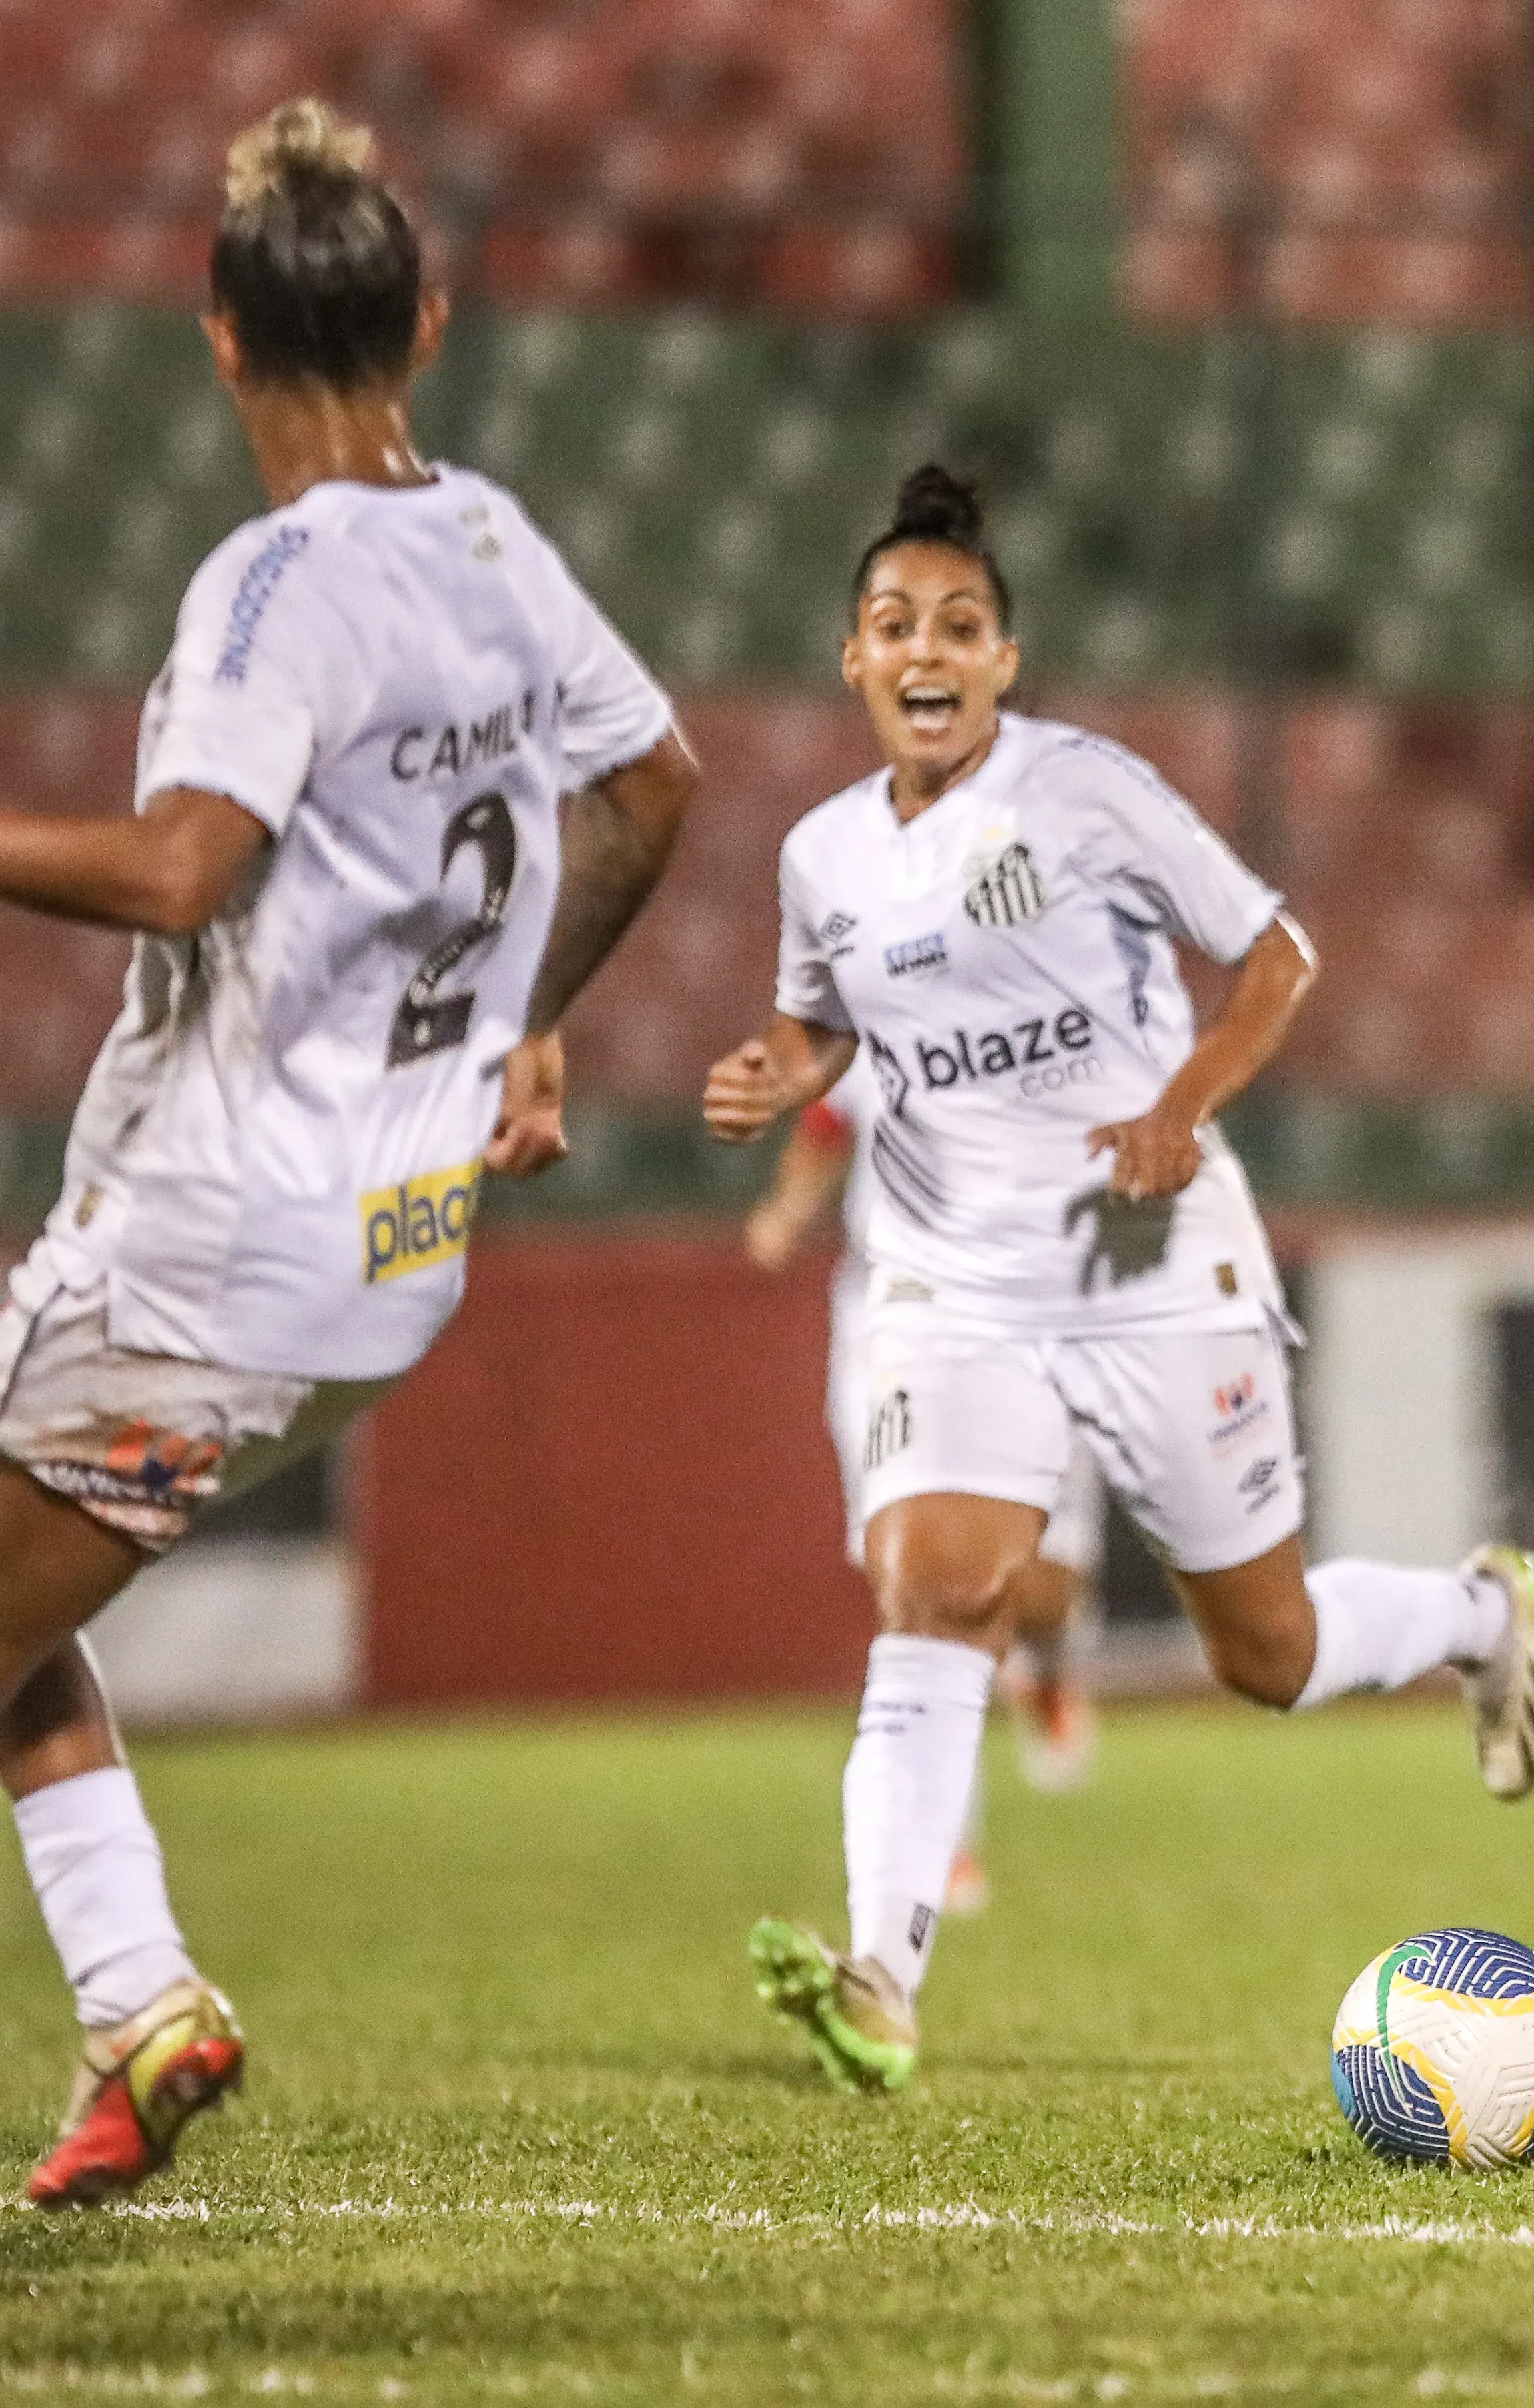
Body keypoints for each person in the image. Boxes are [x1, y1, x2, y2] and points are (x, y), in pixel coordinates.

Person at [0, 101, 700, 2205]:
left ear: (219, 335)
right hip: (386, 1259)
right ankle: (141, 2002)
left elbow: (183, 867)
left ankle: (146, 2001)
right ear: (431, 321)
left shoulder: (275, 583)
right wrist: (528, 1019)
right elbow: (653, 788)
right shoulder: (490, 544)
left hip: (209, 1254)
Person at [702, 464, 1534, 2096]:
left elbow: (1279, 953)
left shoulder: (1085, 791)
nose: (927, 648)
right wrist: (779, 1067)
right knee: (930, 1586)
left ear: (1004, 660)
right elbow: (826, 1020)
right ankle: (882, 1972)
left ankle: (1474, 1611)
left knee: (1267, 1651)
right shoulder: (822, 856)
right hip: (953, 1278)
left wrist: (1180, 1104)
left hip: (1151, 1256)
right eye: (895, 623)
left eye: (960, 622)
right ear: (854, 658)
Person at [747, 1086, 1108, 1853]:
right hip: (891, 1318)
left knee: (1045, 1589)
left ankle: (1043, 1665)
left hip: (1032, 1312)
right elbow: (826, 1123)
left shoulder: (1066, 1027)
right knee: (920, 1581)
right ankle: (937, 1840)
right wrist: (788, 1210)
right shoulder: (877, 1022)